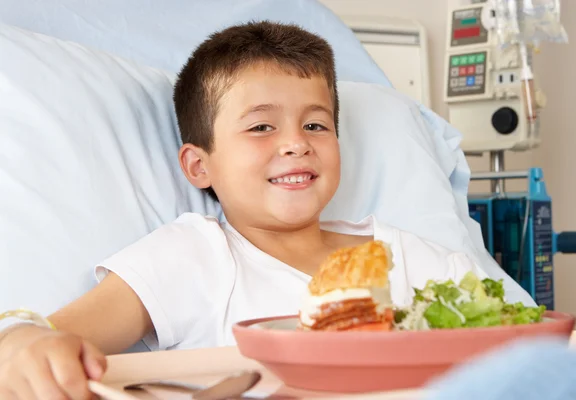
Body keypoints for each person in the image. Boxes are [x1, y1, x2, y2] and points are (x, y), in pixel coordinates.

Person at [0, 21, 489, 399]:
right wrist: (21, 346)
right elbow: (44, 337)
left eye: (316, 125)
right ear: (198, 166)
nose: (296, 143)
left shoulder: (418, 262)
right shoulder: (197, 257)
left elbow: (517, 351)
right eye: (261, 128)